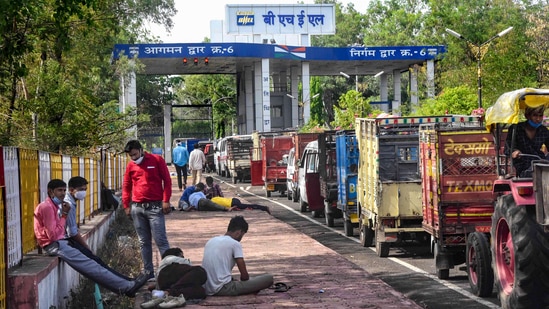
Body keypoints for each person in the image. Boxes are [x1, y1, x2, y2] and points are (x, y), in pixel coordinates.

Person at [34, 179, 148, 297]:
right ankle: (126, 287)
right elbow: (52, 235)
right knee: (91, 266)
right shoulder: (47, 207)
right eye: (59, 191)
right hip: (55, 244)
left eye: (64, 190)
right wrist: (64, 215)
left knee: (93, 263)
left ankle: (127, 284)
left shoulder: (55, 205)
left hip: (61, 242)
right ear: (51, 192)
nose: (62, 193)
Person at [64, 176, 131, 280]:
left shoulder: (70, 202)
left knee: (95, 261)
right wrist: (86, 247)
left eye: (85, 190)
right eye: (81, 190)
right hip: (66, 241)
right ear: (72, 190)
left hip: (66, 239)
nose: (84, 193)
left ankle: (122, 279)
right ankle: (121, 281)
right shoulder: (69, 205)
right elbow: (72, 232)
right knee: (95, 260)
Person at [122, 139, 172, 276]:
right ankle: (148, 272)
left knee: (161, 240)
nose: (133, 158)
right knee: (144, 242)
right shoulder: (131, 166)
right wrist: (126, 206)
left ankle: (169, 271)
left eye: (135, 154)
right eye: (130, 156)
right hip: (137, 208)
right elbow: (126, 186)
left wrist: (166, 200)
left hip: (155, 207)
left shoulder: (156, 160)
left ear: (141, 150)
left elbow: (167, 181)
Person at [202, 216, 273, 296]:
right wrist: (247, 283)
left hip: (207, 287)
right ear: (238, 232)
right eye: (242, 236)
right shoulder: (235, 244)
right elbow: (244, 275)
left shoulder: (211, 241)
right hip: (222, 288)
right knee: (269, 278)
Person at [140, 248, 207, 309]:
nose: (183, 258)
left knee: (201, 291)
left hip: (165, 283)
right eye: (182, 256)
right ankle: (169, 292)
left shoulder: (161, 269)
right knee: (200, 271)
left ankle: (166, 294)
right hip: (169, 272)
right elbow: (188, 263)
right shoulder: (170, 259)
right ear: (177, 255)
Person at [506, 106, 549, 177]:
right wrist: (515, 151)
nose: (538, 119)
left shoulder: (543, 130)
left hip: (540, 161)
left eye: (540, 115)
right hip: (523, 164)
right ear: (527, 116)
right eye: (535, 115)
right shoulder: (516, 129)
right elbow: (508, 148)